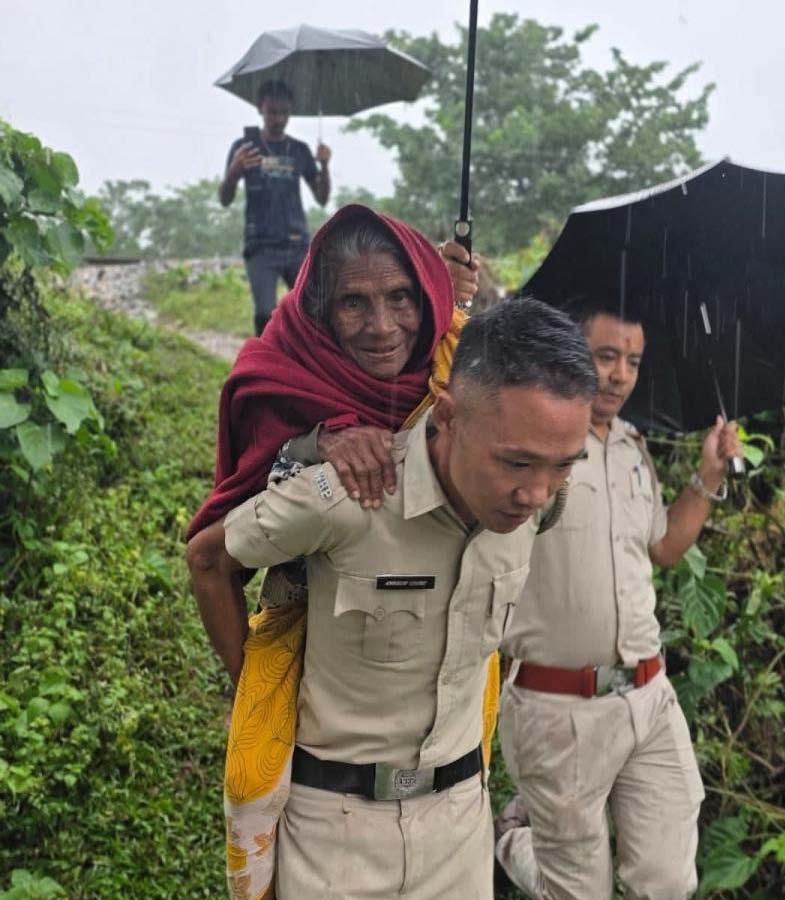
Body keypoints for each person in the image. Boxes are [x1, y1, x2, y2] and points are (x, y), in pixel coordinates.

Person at [187, 296, 598, 900]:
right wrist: (252, 689)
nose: (536, 492)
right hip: (336, 837)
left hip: (460, 828)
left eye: (563, 467)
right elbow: (208, 559)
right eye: (517, 463)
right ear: (450, 417)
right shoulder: (348, 499)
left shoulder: (534, 510)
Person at [493, 307, 743, 900]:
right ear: (572, 351)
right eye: (606, 356)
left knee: (666, 882)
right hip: (558, 709)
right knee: (579, 892)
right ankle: (510, 839)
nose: (620, 375)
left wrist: (708, 475)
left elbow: (663, 547)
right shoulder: (531, 445)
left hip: (650, 700)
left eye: (632, 360)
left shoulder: (632, 447)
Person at [219, 79, 331, 335]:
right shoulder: (243, 148)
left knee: (314, 309)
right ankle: (266, 366)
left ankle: (309, 365)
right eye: (272, 112)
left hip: (296, 244)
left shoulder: (299, 150)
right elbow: (224, 198)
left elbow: (322, 197)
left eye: (284, 112)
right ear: (260, 108)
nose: (278, 119)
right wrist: (235, 170)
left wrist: (324, 165)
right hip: (261, 246)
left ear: (290, 110)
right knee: (264, 313)